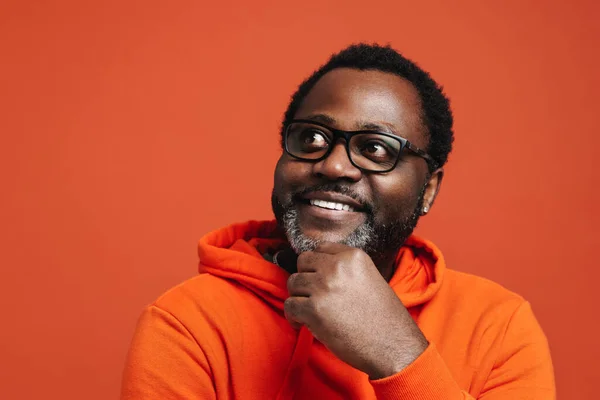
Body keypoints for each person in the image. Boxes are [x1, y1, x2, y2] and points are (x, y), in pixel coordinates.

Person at [121, 44, 555, 399]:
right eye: (311, 138)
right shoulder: (187, 322)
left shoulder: (499, 326)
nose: (332, 166)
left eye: (376, 149)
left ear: (428, 190)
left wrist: (398, 355)